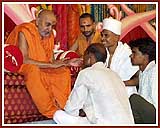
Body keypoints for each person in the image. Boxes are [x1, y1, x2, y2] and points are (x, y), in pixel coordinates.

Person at [5, 9, 76, 118]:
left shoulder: (50, 35)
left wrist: (66, 63)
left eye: (52, 26)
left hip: (43, 66)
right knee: (33, 70)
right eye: (47, 25)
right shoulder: (25, 31)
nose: (50, 29)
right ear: (37, 21)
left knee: (63, 71)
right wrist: (51, 65)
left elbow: (51, 61)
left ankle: (63, 107)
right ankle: (51, 112)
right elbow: (24, 60)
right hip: (24, 65)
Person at [53, 43, 134, 124]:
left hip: (103, 124)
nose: (82, 60)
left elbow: (71, 109)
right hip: (128, 123)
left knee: (58, 115)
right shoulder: (115, 75)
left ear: (90, 56)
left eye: (84, 56)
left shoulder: (86, 73)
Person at [101, 17, 139, 97]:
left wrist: (120, 84)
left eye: (106, 35)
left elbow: (139, 79)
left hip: (127, 95)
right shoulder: (102, 51)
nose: (102, 38)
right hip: (107, 95)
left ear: (117, 37)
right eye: (102, 35)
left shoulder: (127, 53)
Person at [129, 38, 156, 124]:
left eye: (134, 53)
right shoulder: (142, 71)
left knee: (134, 99)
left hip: (155, 114)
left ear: (145, 56)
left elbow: (155, 102)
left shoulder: (155, 71)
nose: (131, 56)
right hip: (147, 113)